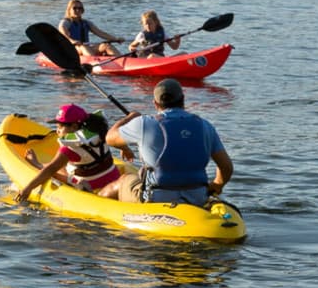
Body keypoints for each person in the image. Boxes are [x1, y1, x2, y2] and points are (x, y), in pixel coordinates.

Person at [105, 77, 233, 206]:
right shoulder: (205, 126)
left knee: (123, 181)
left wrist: (130, 117)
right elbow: (226, 167)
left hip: (156, 198)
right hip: (197, 198)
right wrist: (217, 185)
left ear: (155, 103)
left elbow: (110, 138)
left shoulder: (144, 123)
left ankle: (97, 207)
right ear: (183, 99)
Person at [16, 103, 122, 200]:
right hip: (114, 176)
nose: (57, 131)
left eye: (60, 127)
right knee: (66, 166)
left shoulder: (69, 148)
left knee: (55, 170)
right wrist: (125, 149)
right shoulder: (100, 132)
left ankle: (37, 164)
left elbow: (51, 169)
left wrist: (28, 188)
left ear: (74, 127)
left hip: (91, 186)